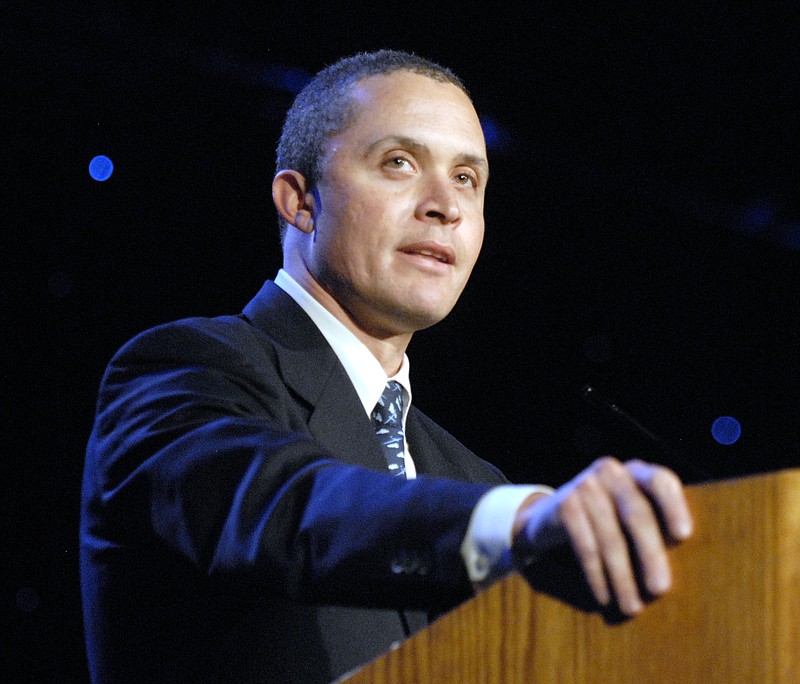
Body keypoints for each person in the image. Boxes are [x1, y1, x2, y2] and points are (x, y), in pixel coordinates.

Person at [80, 50, 692, 683]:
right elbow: (292, 509)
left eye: (467, 180)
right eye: (399, 163)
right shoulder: (185, 371)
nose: (445, 206)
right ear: (300, 201)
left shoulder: (470, 476)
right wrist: (516, 524)